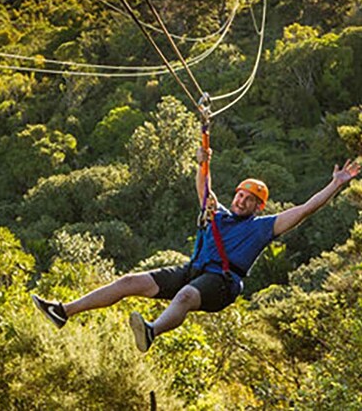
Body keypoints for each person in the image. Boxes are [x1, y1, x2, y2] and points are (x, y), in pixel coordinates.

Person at [31, 142, 359, 353]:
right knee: (131, 282)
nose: (242, 200)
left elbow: (304, 209)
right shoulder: (217, 214)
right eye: (240, 195)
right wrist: (203, 159)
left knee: (185, 297)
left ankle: (151, 332)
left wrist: (335, 184)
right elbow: (204, 185)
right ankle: (63, 311)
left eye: (250, 200)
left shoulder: (262, 228)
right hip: (193, 271)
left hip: (222, 284)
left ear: (259, 207)